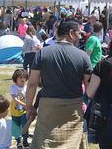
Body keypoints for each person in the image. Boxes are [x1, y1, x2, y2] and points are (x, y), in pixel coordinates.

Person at [26, 18, 93, 148]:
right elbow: (89, 89)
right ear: (71, 33)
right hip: (73, 110)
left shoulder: (42, 53)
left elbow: (32, 84)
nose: (81, 36)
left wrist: (29, 107)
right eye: (79, 33)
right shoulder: (83, 56)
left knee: (45, 143)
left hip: (48, 109)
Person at [10, 69, 30, 149]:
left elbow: (28, 97)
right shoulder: (13, 87)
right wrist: (25, 105)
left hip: (24, 111)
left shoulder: (26, 87)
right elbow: (15, 99)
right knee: (16, 126)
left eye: (24, 77)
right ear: (15, 78)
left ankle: (25, 140)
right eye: (20, 77)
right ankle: (18, 142)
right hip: (15, 111)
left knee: (25, 125)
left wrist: (28, 106)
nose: (23, 79)